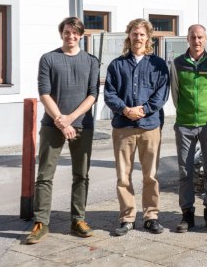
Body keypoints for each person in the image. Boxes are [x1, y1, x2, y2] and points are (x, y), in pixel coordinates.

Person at [26, 17, 100, 244]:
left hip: (82, 125)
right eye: (67, 32)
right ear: (62, 34)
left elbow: (92, 94)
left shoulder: (91, 61)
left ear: (81, 35)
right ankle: (41, 222)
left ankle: (78, 219)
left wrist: (71, 119)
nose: (71, 36)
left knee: (81, 175)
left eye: (75, 33)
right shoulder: (49, 59)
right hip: (53, 125)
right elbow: (44, 93)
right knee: (45, 176)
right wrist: (62, 121)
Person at [104, 18, 170, 236]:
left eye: (142, 34)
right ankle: (127, 217)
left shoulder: (158, 65)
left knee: (150, 175)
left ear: (148, 37)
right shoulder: (117, 65)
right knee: (123, 176)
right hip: (123, 127)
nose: (138, 38)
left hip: (150, 126)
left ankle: (151, 216)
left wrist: (143, 110)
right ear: (129, 36)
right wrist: (125, 110)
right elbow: (110, 94)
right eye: (134, 34)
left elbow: (162, 94)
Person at [169, 24, 207, 233]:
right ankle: (187, 215)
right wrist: (186, 112)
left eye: (200, 37)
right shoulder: (177, 64)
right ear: (187, 39)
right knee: (185, 171)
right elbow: (175, 94)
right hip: (185, 124)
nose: (197, 41)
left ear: (206, 39)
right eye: (193, 37)